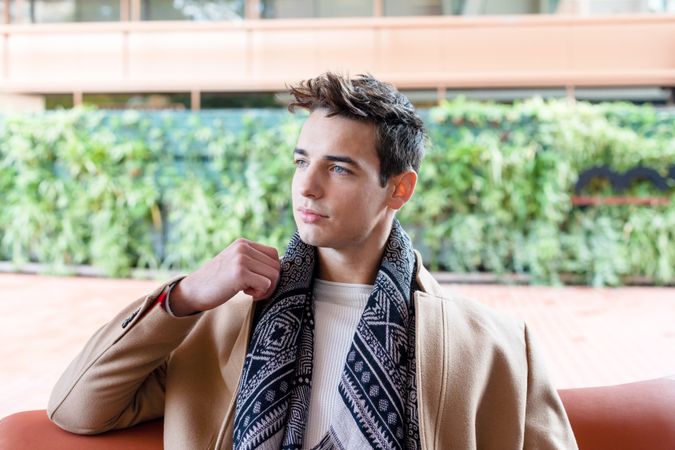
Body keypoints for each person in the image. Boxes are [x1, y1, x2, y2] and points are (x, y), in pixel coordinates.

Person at [48, 72, 578, 450]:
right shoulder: (220, 326)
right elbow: (76, 409)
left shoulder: (493, 346)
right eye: (302, 160)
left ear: (399, 188)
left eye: (340, 168)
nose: (307, 184)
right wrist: (183, 297)